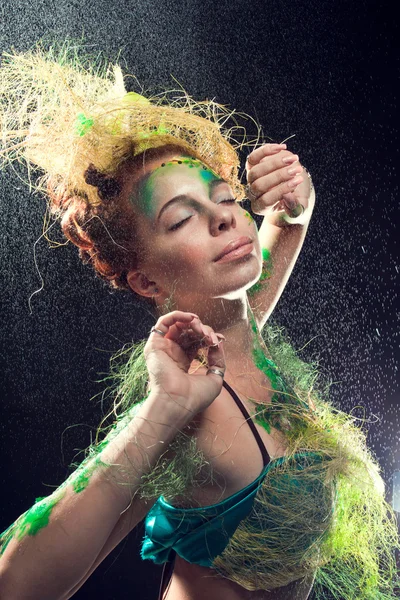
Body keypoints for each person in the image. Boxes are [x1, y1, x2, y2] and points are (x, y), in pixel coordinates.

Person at [0, 43, 399, 600]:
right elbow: (15, 586)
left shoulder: (235, 331)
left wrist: (294, 202)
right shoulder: (186, 394)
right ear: (146, 281)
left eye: (224, 196)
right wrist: (160, 411)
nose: (222, 219)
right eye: (183, 217)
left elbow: (276, 238)